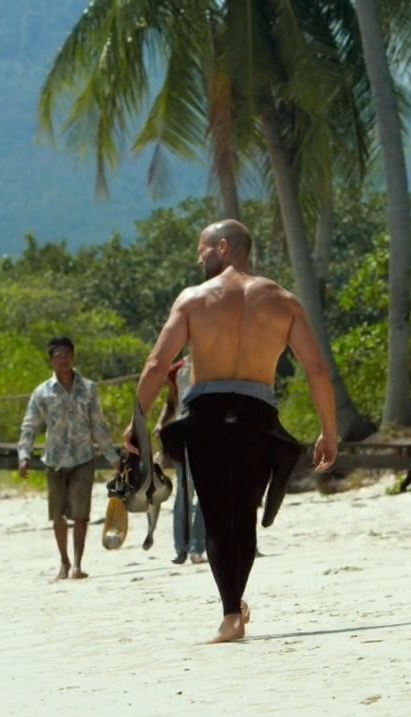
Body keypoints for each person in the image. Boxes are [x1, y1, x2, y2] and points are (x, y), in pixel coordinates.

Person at [127, 219, 339, 644]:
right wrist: (328, 430)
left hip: (206, 417)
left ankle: (230, 614)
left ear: (224, 248)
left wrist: (138, 424)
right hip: (257, 417)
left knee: (218, 515)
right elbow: (316, 367)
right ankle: (235, 607)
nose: (198, 257)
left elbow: (155, 364)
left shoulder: (193, 300)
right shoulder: (283, 301)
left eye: (203, 249)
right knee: (243, 515)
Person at [18, 336, 118, 580]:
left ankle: (77, 564)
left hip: (83, 457)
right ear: (51, 360)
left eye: (67, 355)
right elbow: (30, 425)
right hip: (54, 460)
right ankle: (63, 561)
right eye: (58, 356)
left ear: (73, 357)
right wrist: (24, 454)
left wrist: (112, 456)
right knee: (58, 515)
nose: (64, 359)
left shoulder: (89, 388)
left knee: (81, 514)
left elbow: (98, 425)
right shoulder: (42, 393)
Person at [167, 358, 207, 565]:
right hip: (183, 435)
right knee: (184, 494)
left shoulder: (218, 364)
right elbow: (171, 402)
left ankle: (197, 547)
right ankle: (181, 548)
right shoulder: (177, 371)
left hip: (210, 435)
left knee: (205, 496)